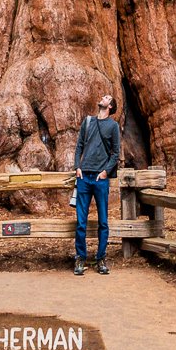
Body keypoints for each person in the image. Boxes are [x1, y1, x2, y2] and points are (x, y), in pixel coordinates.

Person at [73, 92, 121, 275]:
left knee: (103, 221)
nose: (102, 97)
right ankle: (80, 258)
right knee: (81, 222)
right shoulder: (87, 122)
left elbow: (115, 153)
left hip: (100, 179)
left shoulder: (113, 126)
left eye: (107, 98)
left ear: (110, 107)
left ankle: (101, 258)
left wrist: (105, 172)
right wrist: (78, 166)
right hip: (84, 177)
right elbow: (79, 146)